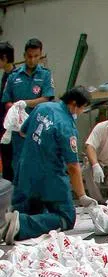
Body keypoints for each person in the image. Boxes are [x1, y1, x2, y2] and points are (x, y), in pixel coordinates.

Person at [0, 89, 96, 244]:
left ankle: (10, 221)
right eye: (82, 108)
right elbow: (73, 166)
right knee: (66, 217)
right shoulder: (66, 126)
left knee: (30, 211)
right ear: (74, 104)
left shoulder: (42, 107)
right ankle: (20, 224)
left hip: (24, 172)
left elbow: (23, 132)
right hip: (49, 177)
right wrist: (82, 195)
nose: (82, 111)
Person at [1, 38, 54, 182]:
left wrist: (25, 103)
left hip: (39, 126)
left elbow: (47, 98)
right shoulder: (14, 76)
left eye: (36, 56)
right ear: (24, 55)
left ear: (40, 55)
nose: (32, 60)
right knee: (19, 163)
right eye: (29, 56)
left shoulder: (45, 75)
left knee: (40, 162)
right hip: (19, 129)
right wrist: (15, 109)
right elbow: (6, 100)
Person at [0, 42, 16, 182]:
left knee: (10, 161)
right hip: (3, 124)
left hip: (11, 126)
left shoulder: (14, 77)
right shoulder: (5, 75)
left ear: (4, 58)